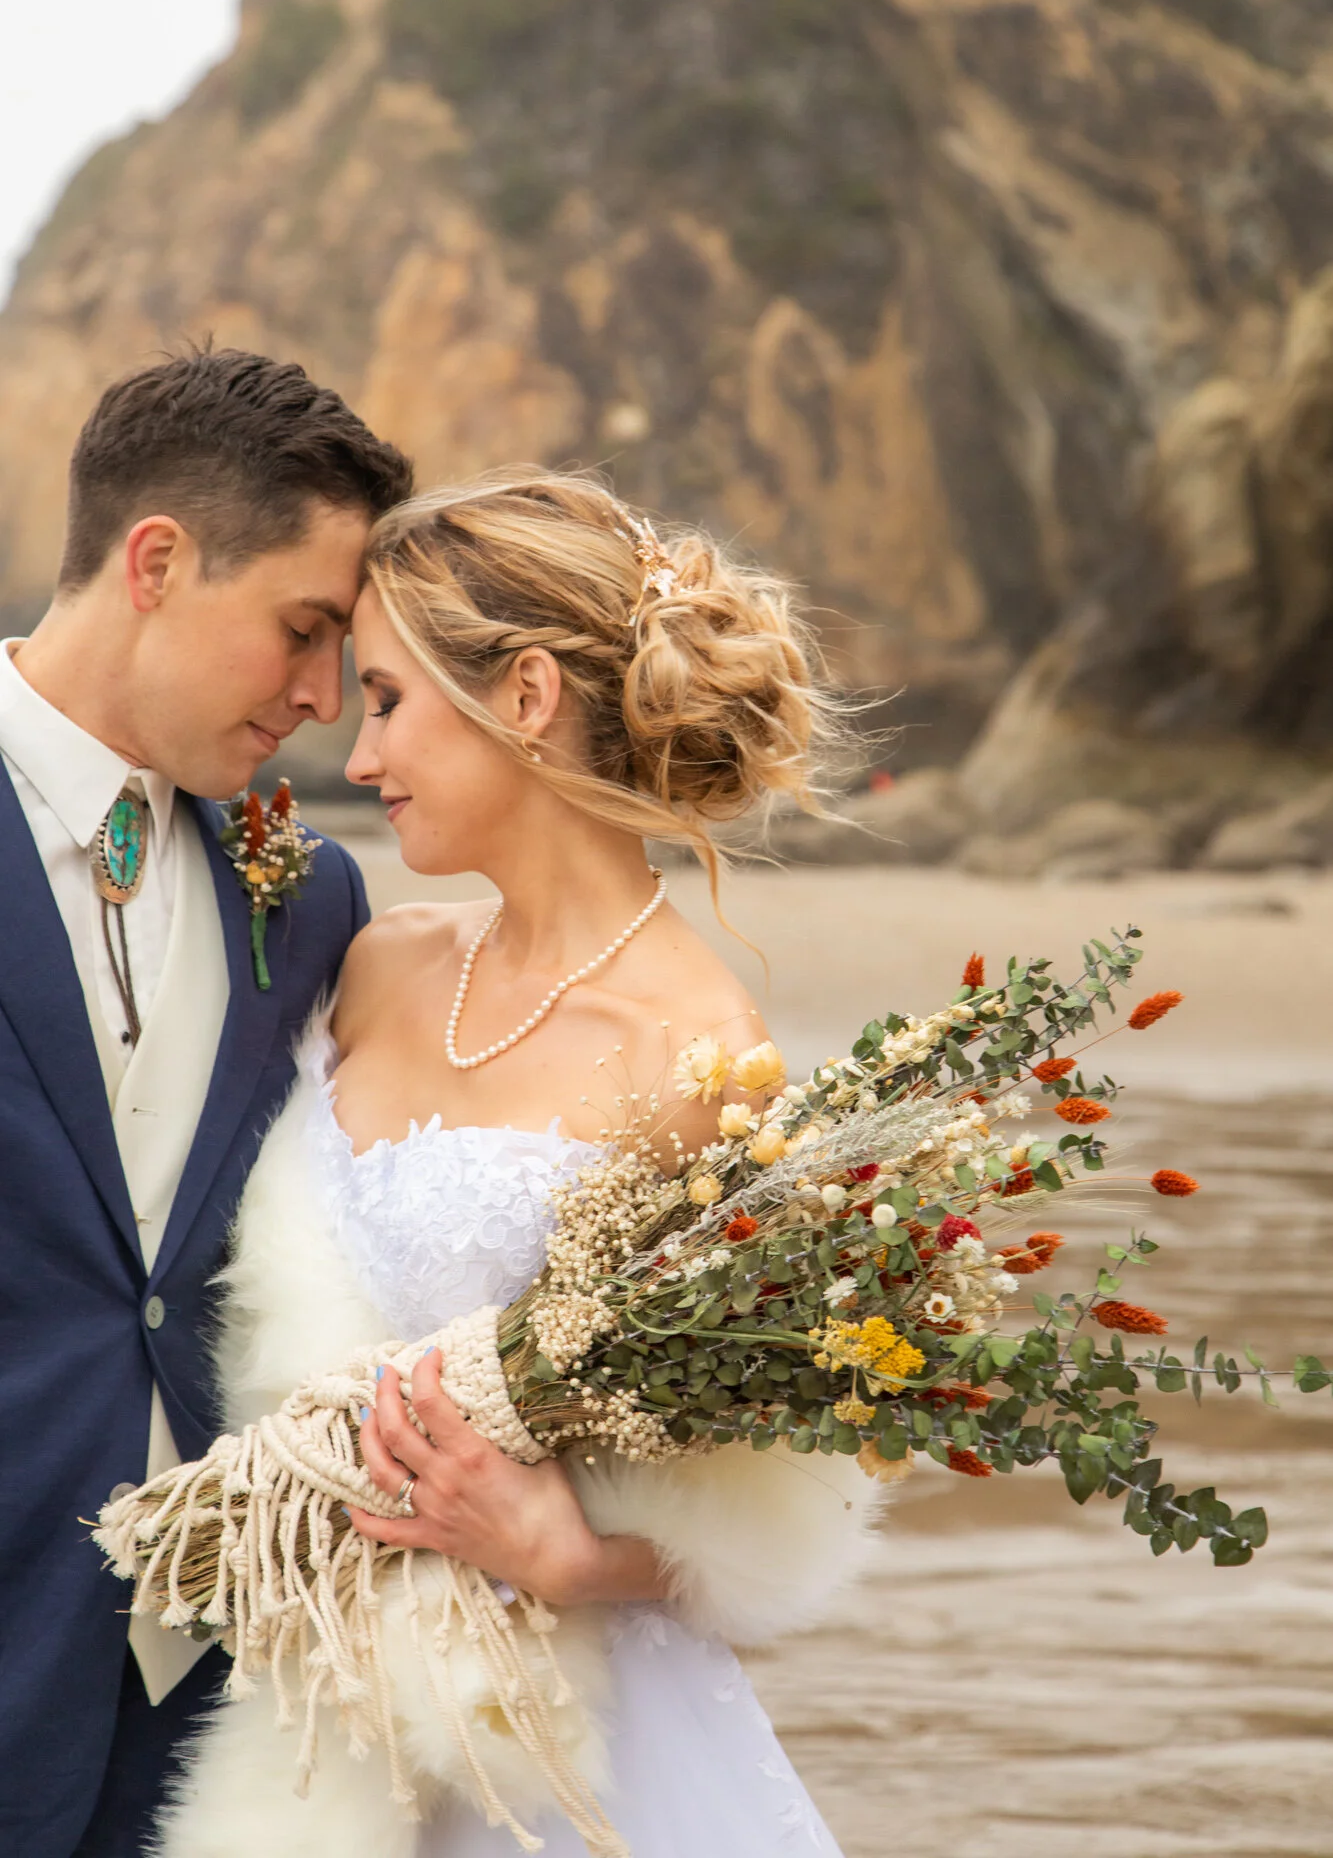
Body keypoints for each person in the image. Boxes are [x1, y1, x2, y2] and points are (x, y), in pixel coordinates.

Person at [156, 470, 881, 1858]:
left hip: (554, 1739)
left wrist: (572, 1555)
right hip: (310, 1703)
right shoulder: (373, 961)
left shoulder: (701, 1058)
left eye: (385, 700)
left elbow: (782, 1481)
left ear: (528, 695)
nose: (357, 759)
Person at [0, 347, 412, 1858]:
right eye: (304, 631)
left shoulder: (309, 894)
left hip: (217, 1700)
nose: (321, 698)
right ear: (157, 562)